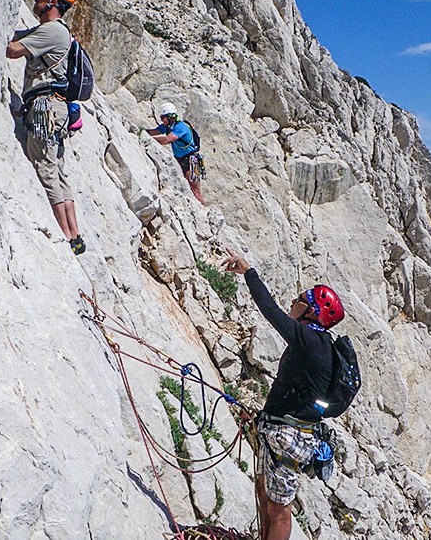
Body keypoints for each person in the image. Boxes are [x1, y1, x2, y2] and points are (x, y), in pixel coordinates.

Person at [220, 251, 345, 540]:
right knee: (265, 494)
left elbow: (270, 310)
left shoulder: (311, 340)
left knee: (279, 510)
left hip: (288, 437)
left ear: (313, 312)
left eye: (300, 300)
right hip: (280, 429)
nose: (293, 302)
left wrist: (249, 272)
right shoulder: (313, 342)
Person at [6, 0, 86, 255]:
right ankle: (75, 233)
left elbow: (13, 50)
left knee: (45, 166)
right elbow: (23, 34)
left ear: (52, 2)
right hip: (56, 108)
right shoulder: (55, 31)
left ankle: (64, 236)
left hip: (45, 107)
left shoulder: (52, 31)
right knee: (58, 169)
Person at [145, 103, 205, 205]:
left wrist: (147, 139)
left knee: (195, 191)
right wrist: (141, 131)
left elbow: (167, 140)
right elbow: (153, 132)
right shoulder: (167, 127)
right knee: (187, 188)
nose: (162, 120)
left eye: (163, 117)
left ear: (170, 117)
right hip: (179, 159)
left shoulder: (181, 127)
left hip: (190, 160)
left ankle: (204, 210)